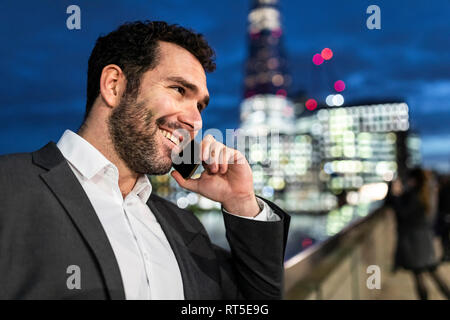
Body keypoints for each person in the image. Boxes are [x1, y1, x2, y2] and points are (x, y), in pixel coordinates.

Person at [0, 21, 290, 300]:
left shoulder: (186, 227)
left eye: (199, 105)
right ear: (114, 85)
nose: (196, 121)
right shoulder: (9, 188)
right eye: (179, 90)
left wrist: (240, 202)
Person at [386, 168, 450, 300]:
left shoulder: (414, 196)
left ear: (413, 180)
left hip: (414, 241)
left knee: (419, 275)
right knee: (432, 273)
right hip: (424, 240)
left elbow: (402, 212)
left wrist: (391, 190)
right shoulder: (426, 193)